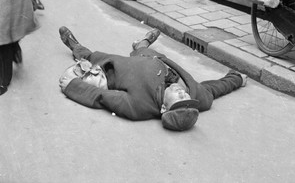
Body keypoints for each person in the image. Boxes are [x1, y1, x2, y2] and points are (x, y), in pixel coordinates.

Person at [58, 26, 247, 131]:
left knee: (89, 57)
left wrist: (72, 86)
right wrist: (236, 78)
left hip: (117, 67)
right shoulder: (200, 98)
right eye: (187, 98)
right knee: (142, 49)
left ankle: (75, 46)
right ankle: (142, 43)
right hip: (154, 59)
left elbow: (100, 97)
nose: (183, 94)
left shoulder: (139, 107)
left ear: (164, 108)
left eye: (179, 99)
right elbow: (215, 88)